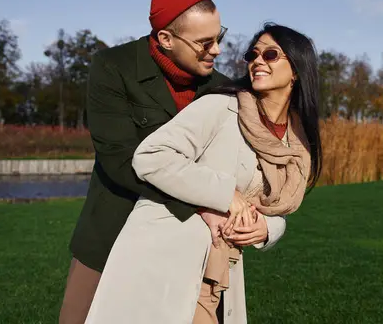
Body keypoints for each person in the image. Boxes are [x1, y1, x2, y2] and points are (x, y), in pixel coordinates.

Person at [58, 0, 286, 324]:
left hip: (191, 250)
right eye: (204, 43)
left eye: (219, 36)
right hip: (111, 233)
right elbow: (120, 159)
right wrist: (204, 201)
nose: (218, 50)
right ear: (165, 39)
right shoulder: (112, 67)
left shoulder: (227, 90)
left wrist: (269, 227)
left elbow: (258, 174)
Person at [84, 23, 323, 323]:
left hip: (220, 267)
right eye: (253, 54)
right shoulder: (221, 107)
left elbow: (274, 205)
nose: (258, 61)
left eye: (271, 54)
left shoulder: (296, 143)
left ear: (297, 70)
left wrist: (267, 229)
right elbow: (150, 156)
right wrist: (227, 195)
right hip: (169, 253)